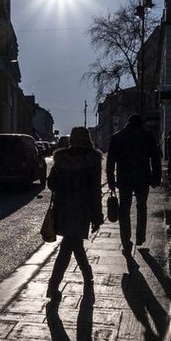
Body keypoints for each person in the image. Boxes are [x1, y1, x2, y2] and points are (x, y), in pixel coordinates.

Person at [46, 126, 104, 302]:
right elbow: (95, 190)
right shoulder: (92, 159)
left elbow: (51, 184)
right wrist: (97, 215)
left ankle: (87, 276)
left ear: (71, 139)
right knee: (69, 245)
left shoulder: (61, 158)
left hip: (63, 207)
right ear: (87, 139)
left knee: (74, 243)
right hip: (82, 209)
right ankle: (53, 286)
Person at [106, 114, 161, 253]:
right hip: (143, 177)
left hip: (124, 178)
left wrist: (111, 181)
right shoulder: (147, 136)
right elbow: (155, 158)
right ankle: (140, 237)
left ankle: (126, 238)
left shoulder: (117, 137)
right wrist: (156, 177)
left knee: (124, 208)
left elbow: (110, 162)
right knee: (142, 207)